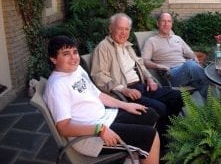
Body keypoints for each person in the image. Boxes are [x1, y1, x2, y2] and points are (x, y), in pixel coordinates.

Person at [44, 35, 160, 164]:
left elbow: (97, 94)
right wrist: (100, 129)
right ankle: (139, 150)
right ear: (53, 59)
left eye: (75, 52)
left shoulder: (77, 70)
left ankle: (132, 156)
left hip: (105, 118)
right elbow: (64, 127)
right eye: (66, 54)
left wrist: (125, 105)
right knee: (150, 137)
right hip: (89, 138)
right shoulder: (57, 86)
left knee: (149, 114)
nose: (73, 58)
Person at [90, 13, 183, 152]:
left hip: (142, 86)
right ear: (111, 29)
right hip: (126, 93)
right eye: (120, 28)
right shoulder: (103, 48)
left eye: (126, 29)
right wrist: (123, 89)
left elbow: (140, 64)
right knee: (160, 108)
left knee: (177, 96)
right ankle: (160, 146)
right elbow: (99, 75)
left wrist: (149, 78)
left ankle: (166, 131)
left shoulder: (127, 46)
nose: (123, 33)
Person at [142, 12, 209, 99]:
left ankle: (213, 107)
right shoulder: (151, 41)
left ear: (171, 24)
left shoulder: (177, 38)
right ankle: (217, 106)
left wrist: (194, 58)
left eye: (169, 21)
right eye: (163, 21)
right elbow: (144, 60)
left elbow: (189, 53)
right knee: (201, 72)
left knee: (203, 80)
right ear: (158, 23)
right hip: (172, 75)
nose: (166, 24)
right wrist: (157, 65)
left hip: (188, 71)